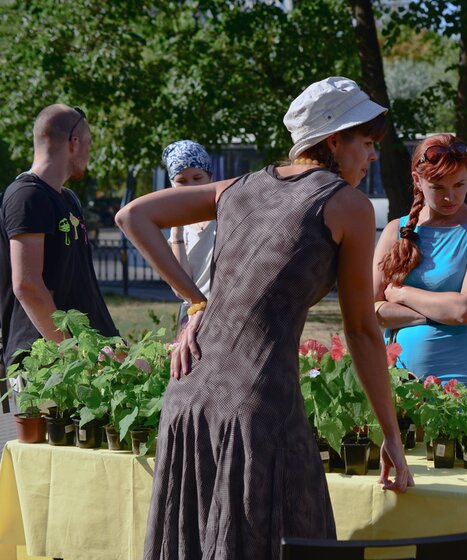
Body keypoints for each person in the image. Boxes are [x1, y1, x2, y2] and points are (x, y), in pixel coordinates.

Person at [116, 76, 413, 559]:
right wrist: (392, 437)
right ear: (334, 140)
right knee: (295, 541)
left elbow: (132, 216)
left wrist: (197, 304)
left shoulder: (239, 186)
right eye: (367, 142)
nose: (373, 156)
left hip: (187, 397)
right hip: (257, 404)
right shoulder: (348, 205)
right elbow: (361, 329)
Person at [372, 134, 467, 383]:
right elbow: (369, 309)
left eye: (459, 185)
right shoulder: (394, 230)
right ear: (417, 181)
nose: (450, 197)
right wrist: (437, 313)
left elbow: (464, 311)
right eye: (438, 187)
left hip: (460, 377)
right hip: (397, 377)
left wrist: (402, 294)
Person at [0, 104, 119, 372]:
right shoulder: (27, 196)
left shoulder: (68, 199)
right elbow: (27, 286)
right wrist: (76, 353)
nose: (89, 153)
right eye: (88, 143)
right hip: (49, 363)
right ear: (74, 143)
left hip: (89, 354)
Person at [162, 140, 215, 332]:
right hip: (193, 318)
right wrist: (176, 231)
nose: (190, 186)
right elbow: (180, 290)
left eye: (197, 177)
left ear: (210, 177)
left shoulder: (225, 216)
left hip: (226, 314)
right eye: (182, 181)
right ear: (172, 184)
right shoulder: (179, 232)